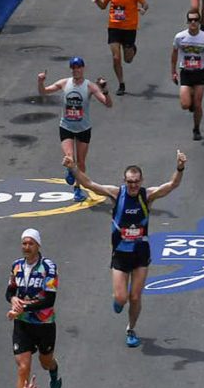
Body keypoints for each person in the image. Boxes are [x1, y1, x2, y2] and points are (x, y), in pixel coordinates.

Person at [72, 149, 188, 348]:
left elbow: (172, 185)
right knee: (121, 297)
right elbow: (89, 184)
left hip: (141, 253)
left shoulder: (147, 195)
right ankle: (118, 301)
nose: (133, 185)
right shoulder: (116, 194)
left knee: (135, 297)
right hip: (120, 253)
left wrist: (180, 167)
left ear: (141, 181)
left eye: (136, 181)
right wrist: (73, 167)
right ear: (124, 181)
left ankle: (131, 329)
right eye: (129, 181)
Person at [6, 227, 62, 388]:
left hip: (44, 324)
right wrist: (13, 300)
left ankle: (54, 369)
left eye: (30, 243)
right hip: (22, 325)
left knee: (45, 362)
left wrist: (23, 307)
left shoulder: (48, 267)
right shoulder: (16, 267)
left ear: (38, 245)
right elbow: (10, 291)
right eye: (24, 243)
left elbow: (49, 299)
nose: (26, 247)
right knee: (23, 368)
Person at [38, 56, 112, 201]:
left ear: (83, 69)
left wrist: (105, 90)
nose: (76, 70)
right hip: (66, 126)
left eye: (79, 67)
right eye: (74, 68)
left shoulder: (90, 86)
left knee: (81, 162)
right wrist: (40, 81)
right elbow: (44, 91)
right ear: (71, 70)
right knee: (69, 158)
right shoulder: (64, 83)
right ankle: (70, 170)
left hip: (83, 128)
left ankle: (77, 188)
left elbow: (107, 104)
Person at [94, 0, 147, 93]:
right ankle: (121, 84)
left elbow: (145, 4)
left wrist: (143, 9)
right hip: (114, 27)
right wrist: (97, 1)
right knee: (116, 57)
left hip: (129, 28)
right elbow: (103, 6)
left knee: (128, 60)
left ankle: (132, 49)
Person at [170, 9, 204, 140]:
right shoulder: (180, 37)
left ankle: (196, 128)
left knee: (197, 104)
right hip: (185, 72)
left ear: (199, 21)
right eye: (191, 20)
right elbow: (174, 54)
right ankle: (189, 96)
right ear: (187, 22)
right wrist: (173, 72)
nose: (193, 22)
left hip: (200, 73)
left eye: (196, 20)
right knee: (185, 105)